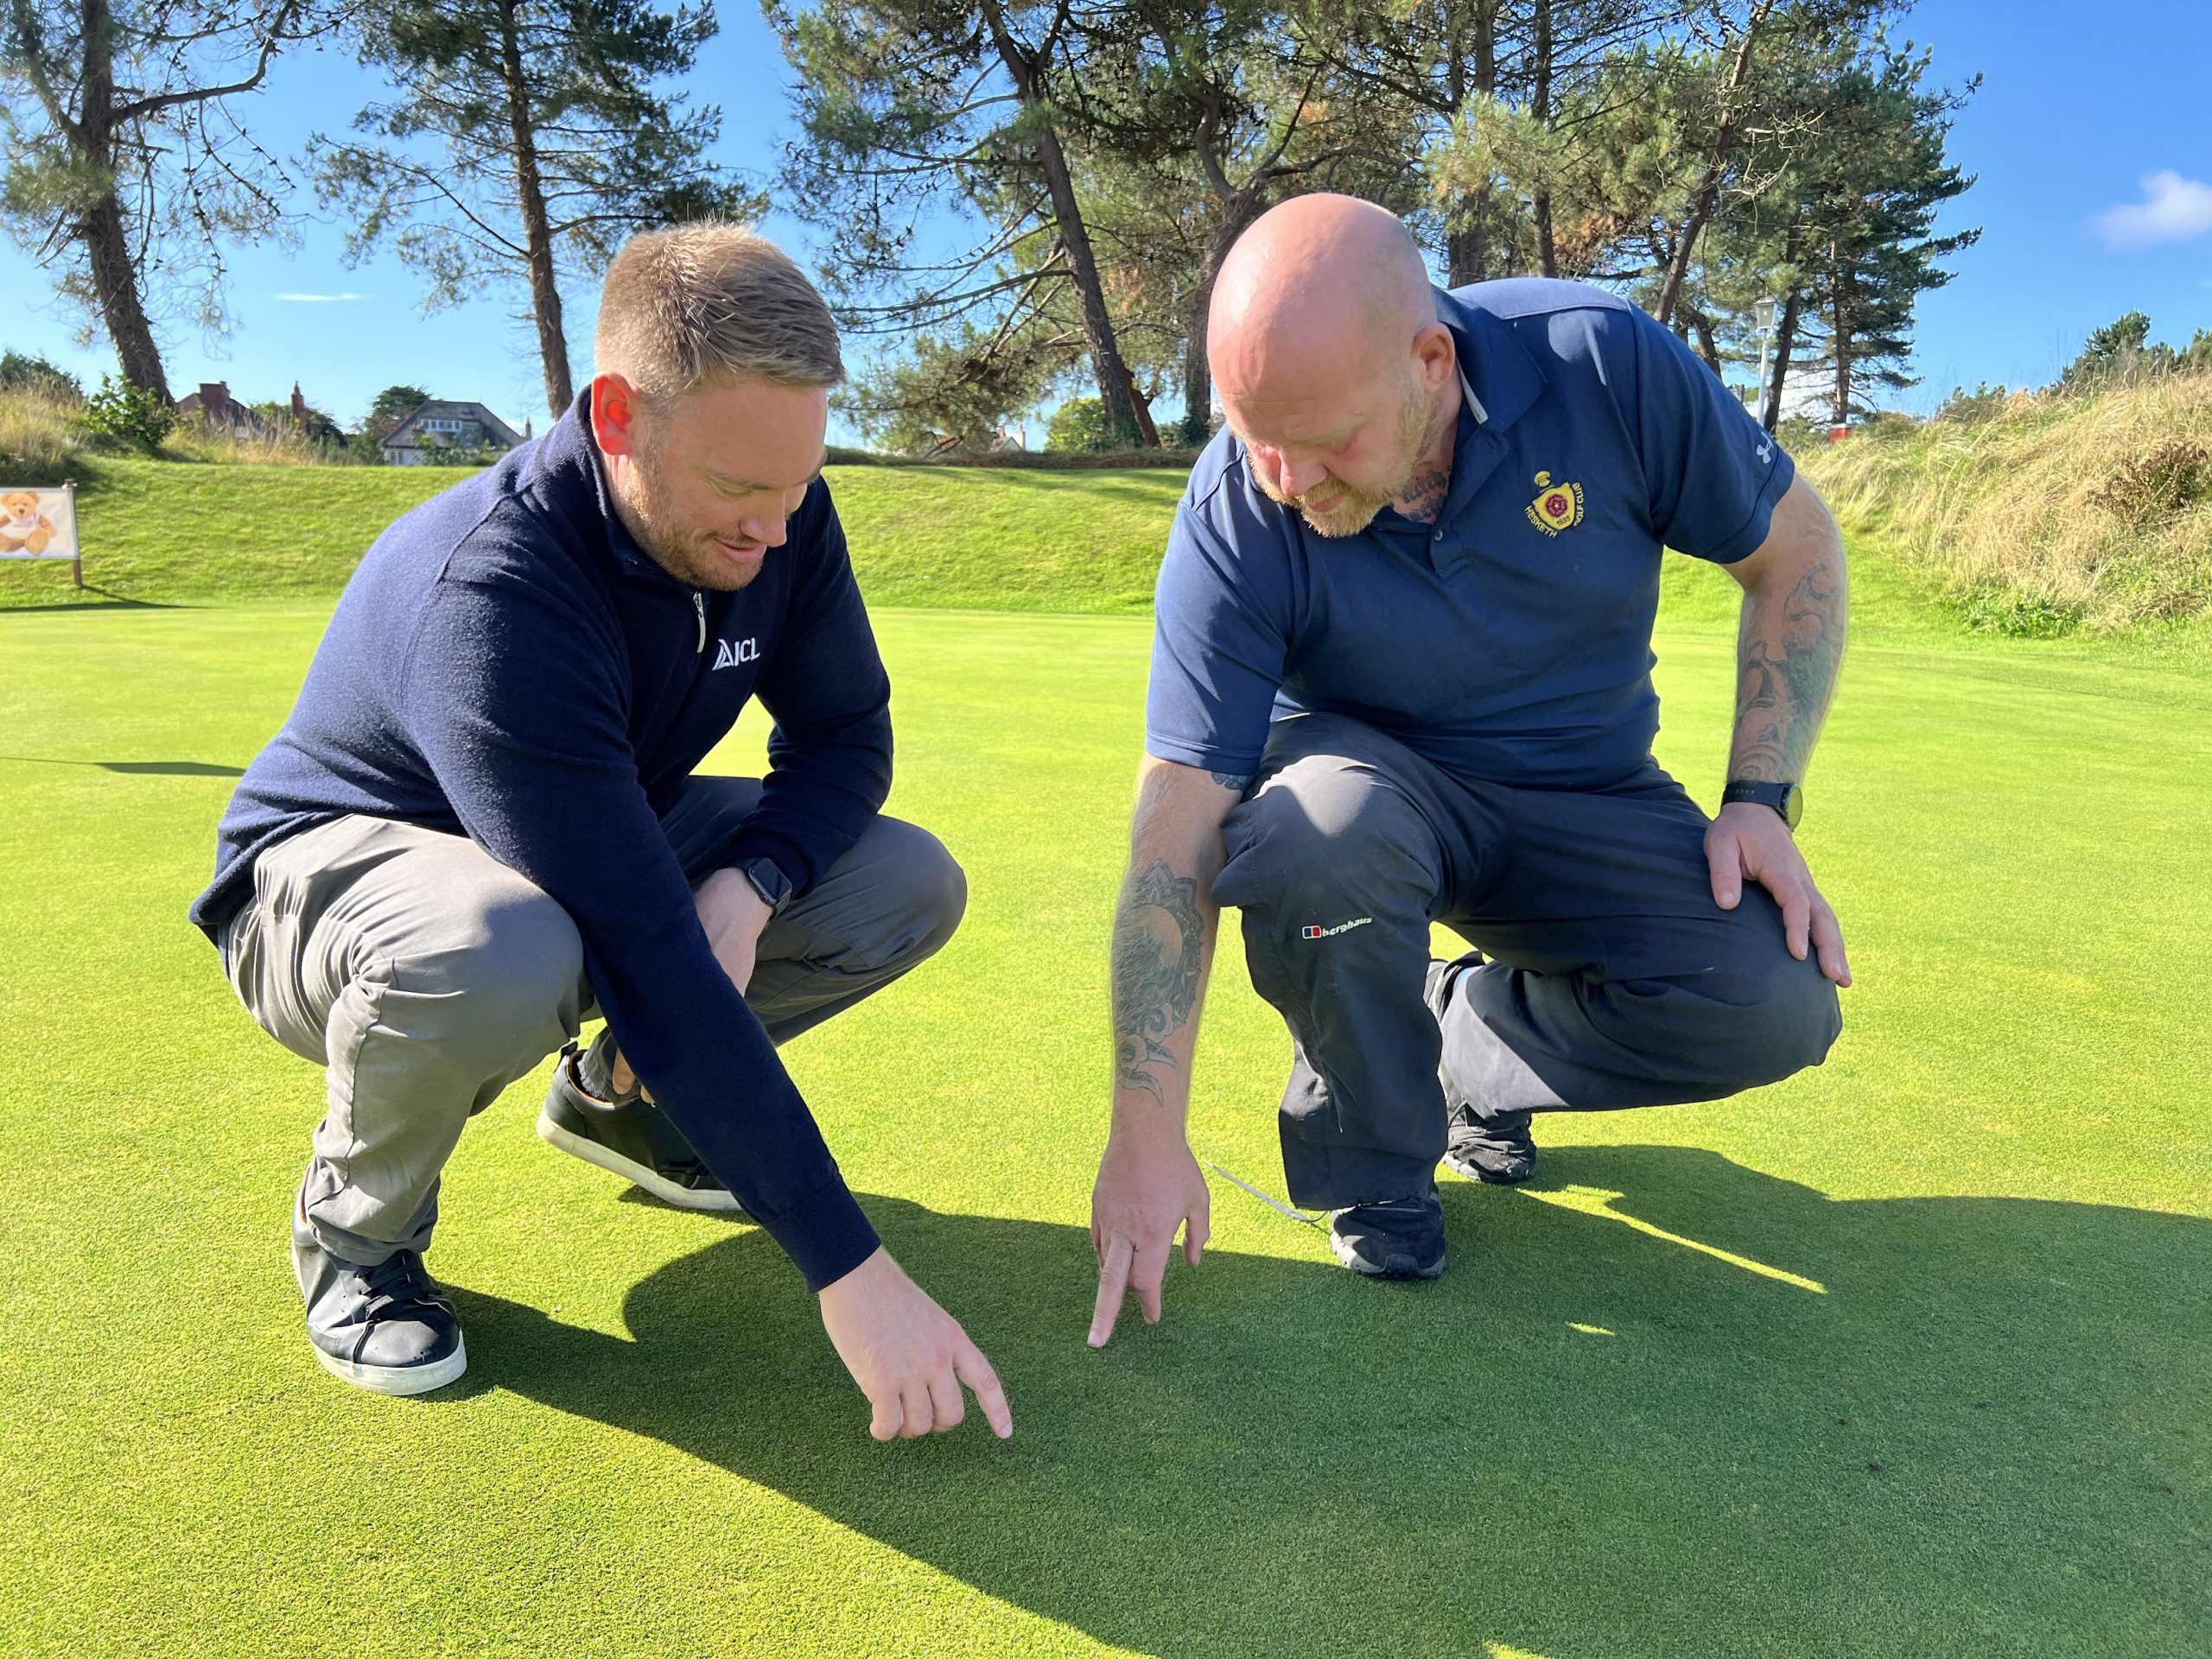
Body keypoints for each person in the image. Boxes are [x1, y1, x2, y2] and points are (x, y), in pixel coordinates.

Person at [194, 224, 1011, 1440]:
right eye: (740, 489)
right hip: (328, 885)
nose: (773, 533)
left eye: (797, 487)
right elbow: (637, 941)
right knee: (499, 943)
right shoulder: (495, 588)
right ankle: (355, 1239)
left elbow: (847, 740)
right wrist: (854, 1272)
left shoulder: (784, 517)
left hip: (579, 837)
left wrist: (758, 878)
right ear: (618, 416)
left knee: (902, 878)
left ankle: (622, 1107)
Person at [1089, 194, 1851, 1337]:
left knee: (1773, 1004)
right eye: (1260, 439)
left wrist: (1759, 802)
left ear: (1430, 360)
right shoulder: (1242, 502)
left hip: (1581, 794)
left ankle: (1460, 1038)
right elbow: (1177, 819)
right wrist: (1145, 1136)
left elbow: (1796, 551)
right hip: (1367, 795)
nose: (1287, 481)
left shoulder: (1603, 366)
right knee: (1312, 836)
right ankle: (1372, 1160)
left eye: (1324, 441)